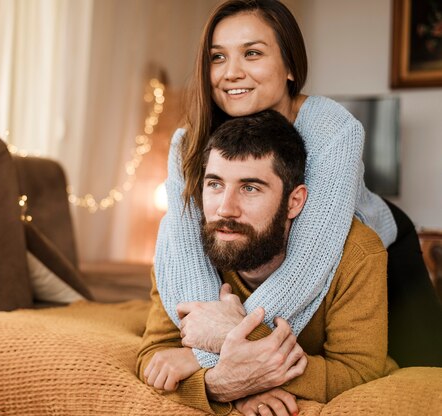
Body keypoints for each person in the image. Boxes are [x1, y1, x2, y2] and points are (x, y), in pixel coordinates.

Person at [153, 0, 442, 371]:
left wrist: (216, 351)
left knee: (427, 363)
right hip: (281, 262)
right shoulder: (187, 143)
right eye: (218, 57)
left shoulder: (334, 129)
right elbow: (184, 250)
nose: (231, 73)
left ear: (290, 66)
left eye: (252, 53)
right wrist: (216, 341)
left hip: (375, 238)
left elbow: (307, 264)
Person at [137, 110, 397, 415]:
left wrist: (227, 337)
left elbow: (359, 374)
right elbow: (154, 357)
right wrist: (224, 385)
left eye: (250, 188)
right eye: (215, 184)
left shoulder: (358, 253)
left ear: (294, 201)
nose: (225, 209)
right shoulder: (181, 248)